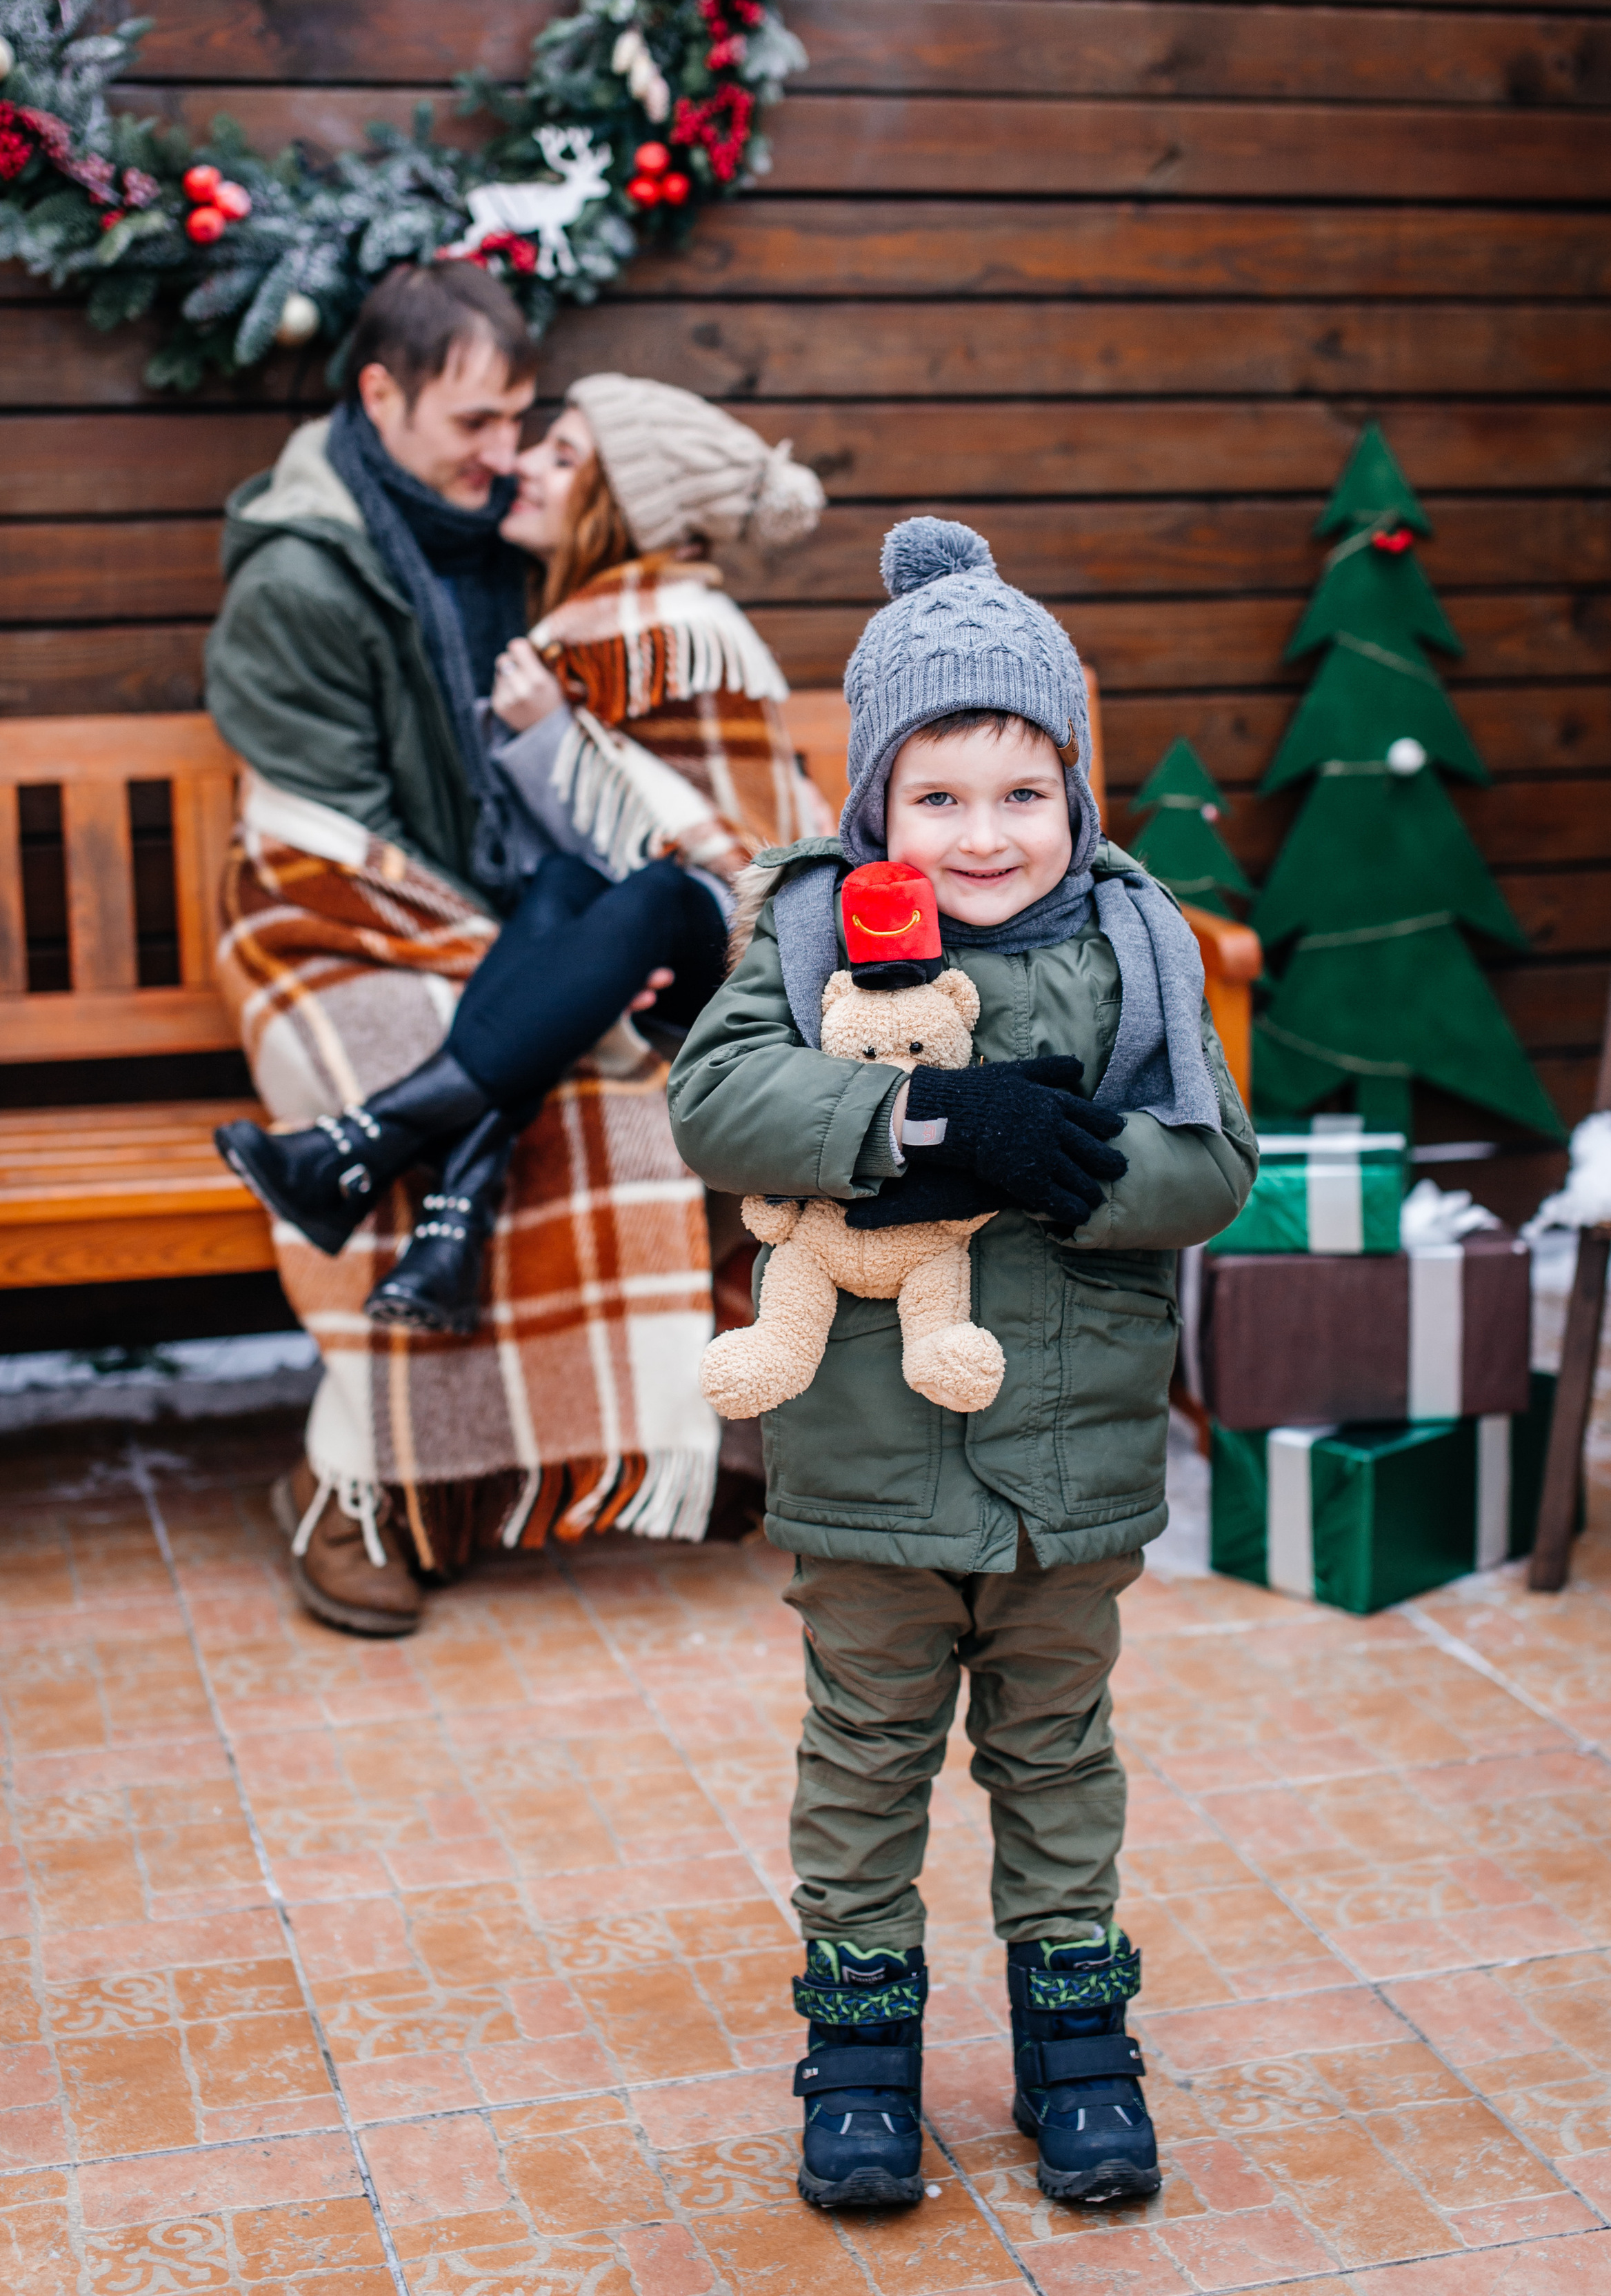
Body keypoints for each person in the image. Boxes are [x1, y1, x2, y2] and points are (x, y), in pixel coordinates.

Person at [668, 519, 1256, 2215]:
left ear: (1072, 793)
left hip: (1068, 1460)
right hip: (864, 1459)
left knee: (1056, 1748)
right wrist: (924, 1116)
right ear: (873, 806)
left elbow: (1211, 1162)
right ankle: (856, 2057)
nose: (984, 833)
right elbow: (718, 1104)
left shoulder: (1135, 943)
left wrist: (1059, 1165)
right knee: (864, 1751)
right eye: (938, 797)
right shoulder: (801, 930)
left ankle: (1077, 2051)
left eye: (1022, 792)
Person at [206, 266, 821, 1635]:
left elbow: (658, 788)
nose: (502, 458)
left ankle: (497, 1471)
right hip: (343, 902)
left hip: (527, 903)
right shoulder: (305, 577)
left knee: (616, 1076)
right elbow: (338, 828)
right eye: (479, 424)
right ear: (381, 392)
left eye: (522, 431)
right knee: (445, 1041)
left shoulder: (512, 543)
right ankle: (355, 1489)